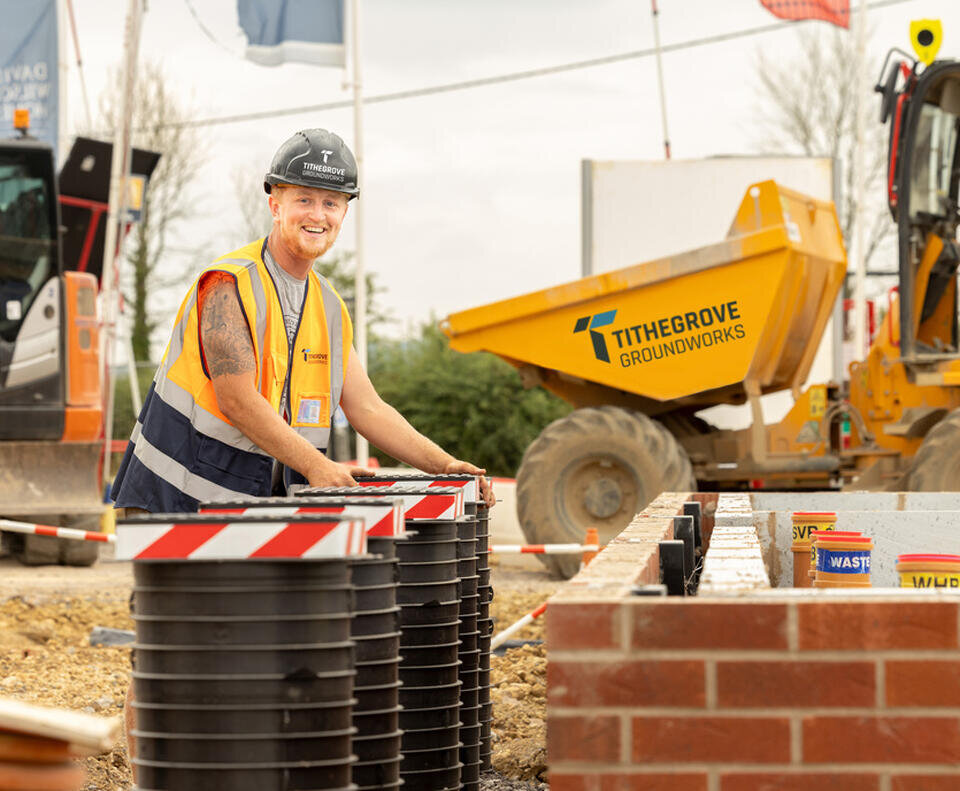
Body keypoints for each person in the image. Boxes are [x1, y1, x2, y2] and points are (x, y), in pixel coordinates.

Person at [110, 127, 494, 512]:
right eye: (304, 199)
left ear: (344, 212)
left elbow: (368, 408)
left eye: (331, 203)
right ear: (276, 205)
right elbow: (237, 400)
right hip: (174, 501)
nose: (317, 214)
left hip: (252, 507)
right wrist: (317, 465)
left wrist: (444, 466)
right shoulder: (227, 285)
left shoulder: (329, 306)